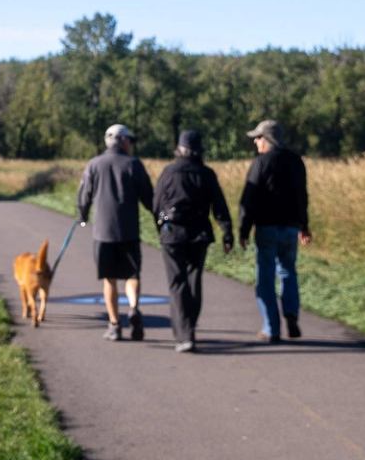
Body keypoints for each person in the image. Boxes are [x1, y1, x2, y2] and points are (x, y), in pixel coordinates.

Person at [152, 129, 233, 353]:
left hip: (173, 233)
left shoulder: (169, 172)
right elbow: (219, 206)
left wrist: (159, 226)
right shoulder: (207, 174)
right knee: (194, 281)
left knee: (177, 283)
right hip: (199, 233)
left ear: (179, 149)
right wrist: (227, 231)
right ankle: (190, 328)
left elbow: (157, 203)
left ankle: (183, 334)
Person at [76, 124, 155, 340]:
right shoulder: (134, 164)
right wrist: (159, 217)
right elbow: (149, 197)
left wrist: (82, 217)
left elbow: (84, 196)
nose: (131, 144)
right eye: (130, 140)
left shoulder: (94, 164)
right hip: (129, 231)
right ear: (123, 141)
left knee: (109, 279)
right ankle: (133, 307)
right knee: (132, 274)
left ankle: (114, 324)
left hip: (103, 233)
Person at [237, 118, 312, 343]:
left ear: (267, 139)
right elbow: (302, 196)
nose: (256, 143)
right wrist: (304, 225)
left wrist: (243, 230)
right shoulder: (296, 162)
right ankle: (290, 314)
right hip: (290, 227)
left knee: (266, 278)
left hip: (267, 227)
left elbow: (248, 199)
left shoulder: (261, 163)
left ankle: (271, 328)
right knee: (288, 272)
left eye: (258, 138)